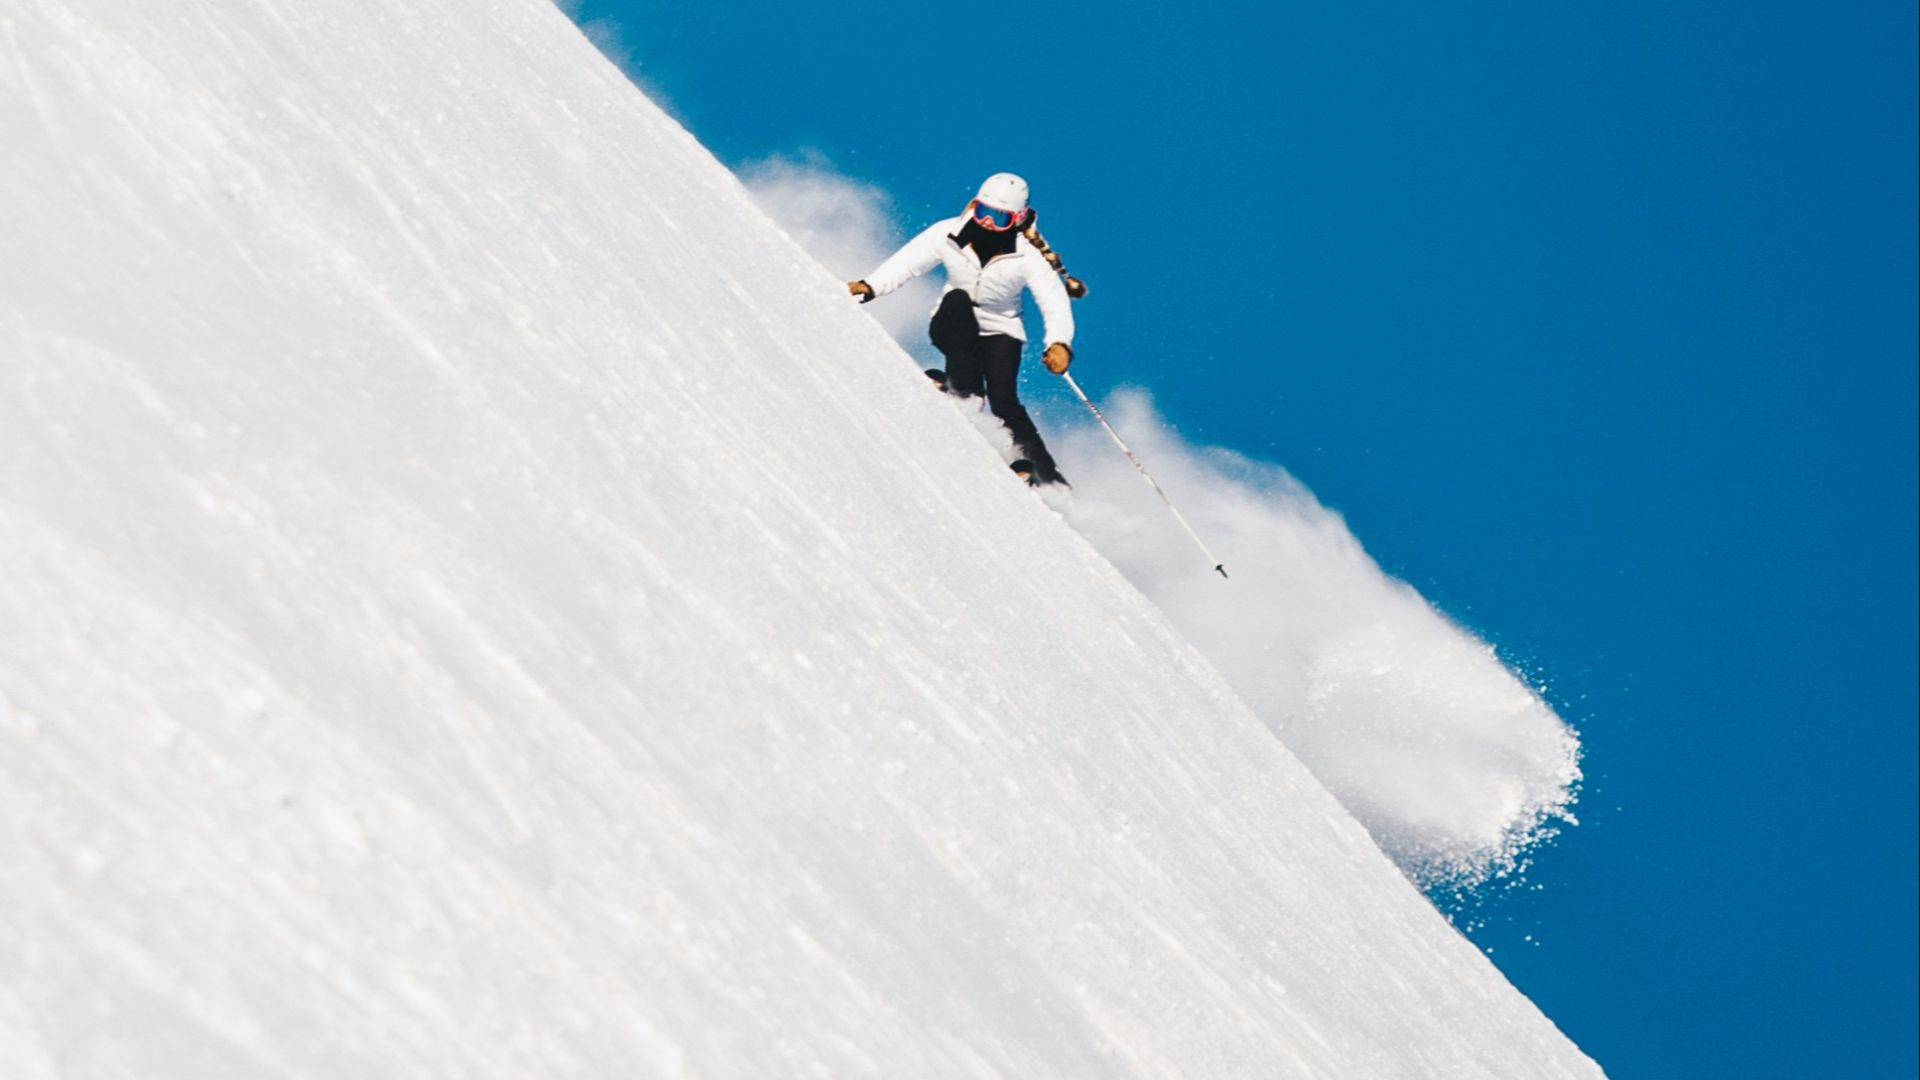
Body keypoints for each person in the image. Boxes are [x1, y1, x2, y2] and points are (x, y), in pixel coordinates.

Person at [847, 173, 1076, 486]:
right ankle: (963, 389)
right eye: (983, 212)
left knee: (1004, 398)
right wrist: (871, 286)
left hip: (1001, 327)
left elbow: (1054, 300)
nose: (987, 223)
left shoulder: (1026, 255)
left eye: (999, 218)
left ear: (1018, 218)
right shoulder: (948, 232)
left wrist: (1059, 343)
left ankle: (1043, 474)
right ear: (973, 205)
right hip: (953, 318)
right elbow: (909, 261)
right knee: (957, 301)